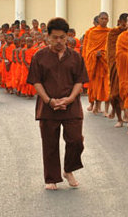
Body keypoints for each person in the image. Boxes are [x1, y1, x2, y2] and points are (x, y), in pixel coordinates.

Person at [27, 17, 89, 191]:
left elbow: (80, 81)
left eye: (62, 37)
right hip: (48, 107)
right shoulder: (40, 56)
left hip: (72, 106)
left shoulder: (75, 57)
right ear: (47, 37)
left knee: (76, 140)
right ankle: (51, 177)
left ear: (67, 37)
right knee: (50, 143)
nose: (59, 41)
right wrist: (49, 100)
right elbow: (36, 82)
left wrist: (69, 99)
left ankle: (69, 169)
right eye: (55, 37)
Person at [82, 12, 112, 115]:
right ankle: (96, 105)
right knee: (96, 86)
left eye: (105, 18)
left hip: (106, 63)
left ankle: (106, 109)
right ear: (98, 20)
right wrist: (95, 54)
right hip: (96, 64)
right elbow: (89, 49)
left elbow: (112, 48)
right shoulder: (92, 33)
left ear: (108, 19)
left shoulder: (110, 32)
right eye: (102, 18)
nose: (104, 20)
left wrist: (105, 54)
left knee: (107, 86)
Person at [106, 14, 128, 126]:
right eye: (124, 23)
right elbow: (110, 52)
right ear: (119, 21)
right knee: (115, 94)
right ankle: (119, 119)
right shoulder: (113, 33)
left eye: (127, 24)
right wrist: (115, 62)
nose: (125, 26)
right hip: (116, 66)